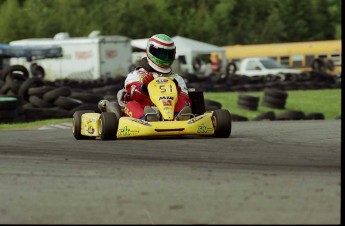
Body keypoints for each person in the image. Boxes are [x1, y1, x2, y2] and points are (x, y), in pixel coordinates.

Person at [98, 34, 192, 121]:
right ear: (150, 51)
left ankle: (180, 118)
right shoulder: (136, 74)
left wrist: (177, 91)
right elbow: (133, 94)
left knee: (181, 101)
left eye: (169, 54)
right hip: (144, 107)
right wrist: (143, 86)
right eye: (161, 53)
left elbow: (186, 100)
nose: (165, 57)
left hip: (169, 109)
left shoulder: (177, 78)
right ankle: (146, 118)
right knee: (131, 104)